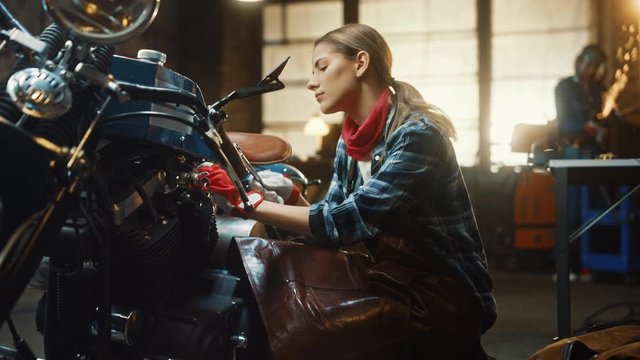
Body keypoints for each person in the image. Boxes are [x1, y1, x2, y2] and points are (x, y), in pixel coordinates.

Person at [199, 24, 496, 359]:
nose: (312, 82)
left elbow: (351, 220)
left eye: (322, 67)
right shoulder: (349, 143)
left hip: (444, 294)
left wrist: (247, 203)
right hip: (394, 279)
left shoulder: (417, 135)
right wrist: (288, 195)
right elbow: (330, 228)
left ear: (361, 63)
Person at [554, 44, 610, 159]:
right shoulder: (564, 87)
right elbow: (563, 123)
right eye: (589, 64)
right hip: (573, 148)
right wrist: (584, 127)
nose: (591, 70)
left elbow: (604, 115)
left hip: (597, 149)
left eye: (595, 66)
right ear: (579, 62)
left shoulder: (599, 89)